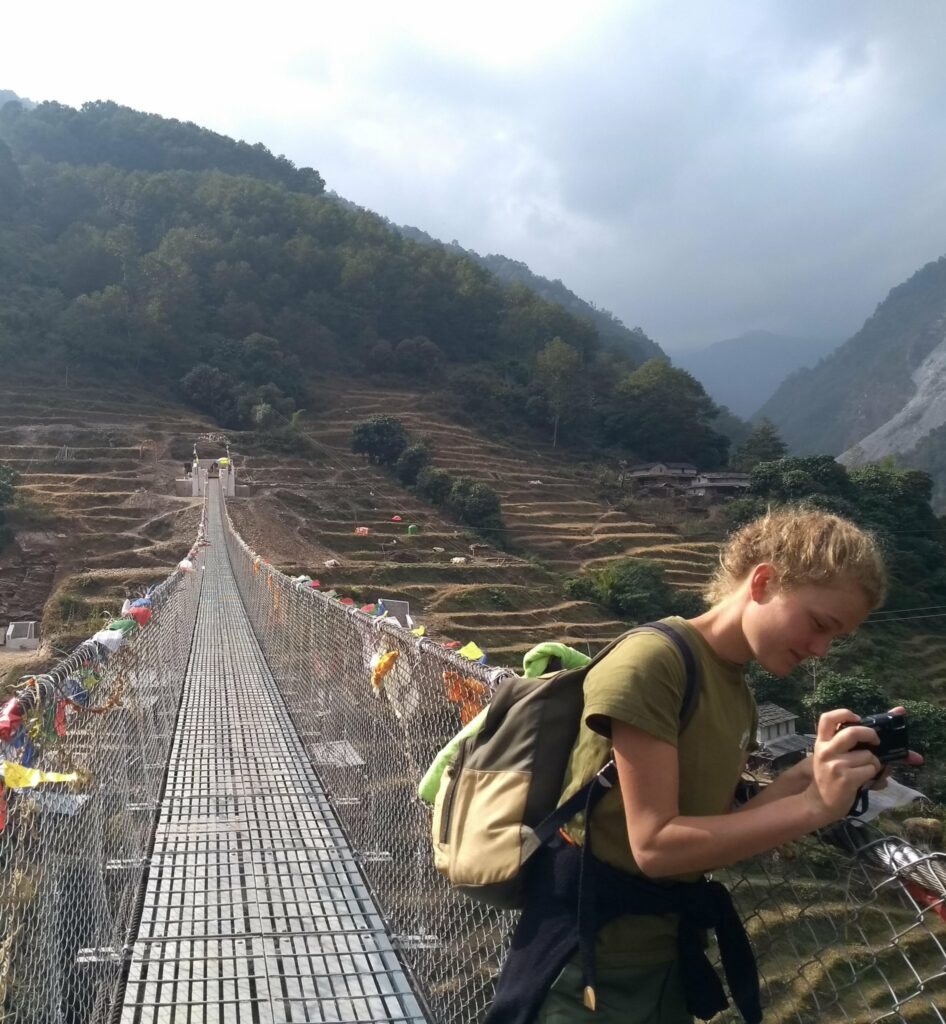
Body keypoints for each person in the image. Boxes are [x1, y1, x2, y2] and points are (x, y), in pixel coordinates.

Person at [489, 508, 921, 1024]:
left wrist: (810, 773)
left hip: (665, 960)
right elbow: (656, 847)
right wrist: (813, 806)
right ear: (763, 582)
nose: (821, 650)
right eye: (819, 624)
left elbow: (712, 834)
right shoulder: (653, 662)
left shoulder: (738, 695)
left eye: (835, 637)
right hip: (584, 966)